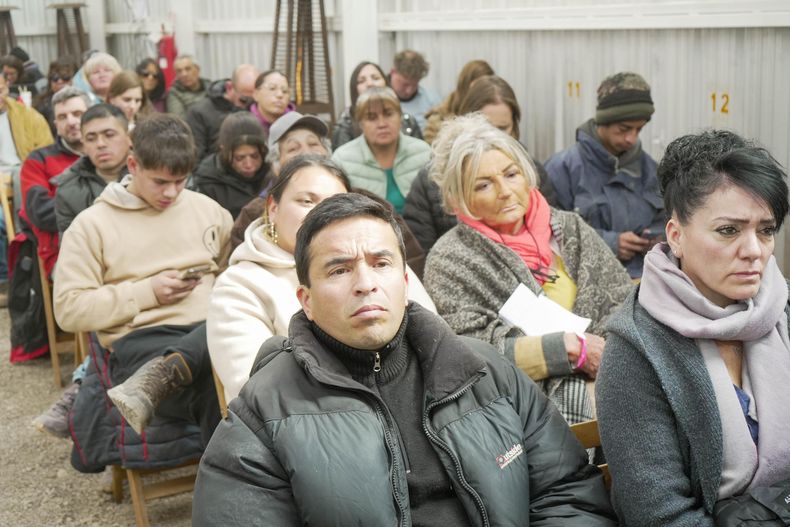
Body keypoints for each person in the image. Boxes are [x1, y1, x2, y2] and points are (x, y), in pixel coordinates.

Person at [193, 192, 616, 526]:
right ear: (305, 300)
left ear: (405, 279)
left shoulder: (486, 373)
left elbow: (568, 492)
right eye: (339, 270)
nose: (365, 283)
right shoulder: (262, 412)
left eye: (381, 263)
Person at [596, 130, 790, 526]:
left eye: (766, 230)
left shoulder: (784, 310)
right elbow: (660, 515)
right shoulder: (636, 351)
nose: (754, 250)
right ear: (676, 236)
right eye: (728, 230)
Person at [424, 114, 632, 425]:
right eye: (483, 185)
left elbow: (624, 301)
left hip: (611, 378)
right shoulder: (451, 258)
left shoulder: (569, 229)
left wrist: (607, 355)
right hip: (516, 408)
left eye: (511, 174)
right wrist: (568, 349)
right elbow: (468, 354)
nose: (505, 191)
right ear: (458, 199)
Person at [52, 114, 232, 472]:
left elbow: (235, 279)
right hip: (145, 344)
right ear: (133, 165)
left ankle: (238, 492)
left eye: (180, 181)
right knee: (219, 386)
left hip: (214, 329)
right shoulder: (92, 226)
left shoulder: (208, 210)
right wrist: (146, 292)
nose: (171, 193)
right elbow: (69, 310)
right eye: (160, 181)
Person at [208, 154, 436, 402]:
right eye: (307, 201)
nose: (321, 214)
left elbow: (433, 341)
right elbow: (258, 389)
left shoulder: (378, 260)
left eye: (334, 204)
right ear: (273, 208)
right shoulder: (239, 284)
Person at [404, 74, 558, 253]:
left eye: (502, 128)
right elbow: (419, 253)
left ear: (515, 127)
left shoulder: (533, 171)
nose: (491, 136)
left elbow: (553, 230)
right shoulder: (430, 182)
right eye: (485, 127)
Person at [545, 71, 666, 279]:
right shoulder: (562, 169)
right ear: (604, 121)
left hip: (645, 283)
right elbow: (548, 232)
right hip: (585, 283)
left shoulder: (651, 171)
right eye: (624, 129)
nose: (631, 138)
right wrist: (610, 243)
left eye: (639, 129)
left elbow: (669, 223)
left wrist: (656, 241)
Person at [19, 87, 87, 276]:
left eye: (77, 114)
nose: (71, 122)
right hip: (63, 255)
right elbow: (41, 212)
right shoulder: (38, 160)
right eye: (63, 117)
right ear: (56, 124)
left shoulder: (105, 155)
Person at [332, 86, 430, 214]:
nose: (382, 124)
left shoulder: (423, 152)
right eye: (371, 117)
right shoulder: (342, 159)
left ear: (400, 116)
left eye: (388, 114)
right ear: (360, 123)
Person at [54, 103, 131, 236]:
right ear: (83, 145)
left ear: (129, 137)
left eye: (109, 135)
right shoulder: (67, 190)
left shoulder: (151, 175)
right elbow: (71, 249)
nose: (100, 144)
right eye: (91, 139)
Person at [190, 112, 269, 219]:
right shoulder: (207, 182)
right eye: (240, 158)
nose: (249, 165)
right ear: (224, 151)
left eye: (255, 156)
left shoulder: (273, 173)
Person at [332, 60, 422, 149]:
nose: (370, 84)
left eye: (375, 78)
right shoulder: (344, 127)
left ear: (386, 83)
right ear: (354, 89)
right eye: (361, 81)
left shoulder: (408, 121)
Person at [186, 63, 259, 162]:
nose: (248, 105)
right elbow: (196, 158)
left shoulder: (257, 108)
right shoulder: (198, 113)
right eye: (244, 100)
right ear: (229, 87)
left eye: (254, 101)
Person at [422, 59, 493, 145]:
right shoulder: (439, 118)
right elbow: (432, 152)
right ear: (465, 84)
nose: (479, 92)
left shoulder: (494, 114)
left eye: (485, 87)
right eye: (477, 86)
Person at [388, 49, 441, 130]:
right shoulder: (379, 98)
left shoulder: (432, 100)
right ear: (393, 72)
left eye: (415, 84)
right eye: (405, 84)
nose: (409, 91)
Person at [33, 57, 78, 135]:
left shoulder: (86, 100)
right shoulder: (41, 104)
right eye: (55, 78)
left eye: (65, 77)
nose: (60, 81)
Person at [248, 70, 295, 138]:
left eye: (285, 91)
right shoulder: (243, 125)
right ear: (256, 94)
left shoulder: (298, 124)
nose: (280, 95)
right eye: (272, 88)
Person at [166, 55, 209, 120]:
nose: (184, 74)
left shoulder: (210, 87)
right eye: (179, 71)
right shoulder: (174, 93)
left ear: (198, 69)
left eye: (188, 69)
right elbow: (179, 121)